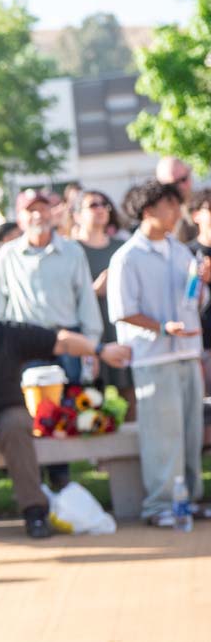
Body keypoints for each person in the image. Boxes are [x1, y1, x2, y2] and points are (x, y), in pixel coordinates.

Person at [0, 284, 131, 546]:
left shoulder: (4, 333)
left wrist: (99, 350)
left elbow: (59, 341)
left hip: (5, 414)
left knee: (18, 424)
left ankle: (35, 513)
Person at [108, 180, 211, 526]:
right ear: (148, 210)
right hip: (153, 357)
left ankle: (189, 500)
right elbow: (123, 310)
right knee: (162, 437)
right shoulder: (127, 256)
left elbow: (193, 300)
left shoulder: (181, 251)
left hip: (187, 352)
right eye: (169, 205)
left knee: (190, 432)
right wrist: (162, 327)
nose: (176, 212)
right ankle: (159, 506)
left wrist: (203, 284)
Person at [0, 188, 104, 490]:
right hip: (25, 344)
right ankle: (33, 481)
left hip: (67, 340)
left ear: (53, 213)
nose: (37, 215)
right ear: (20, 216)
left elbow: (86, 300)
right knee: (33, 413)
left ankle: (61, 479)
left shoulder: (72, 251)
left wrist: (91, 344)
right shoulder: (8, 254)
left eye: (42, 208)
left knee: (65, 411)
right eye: (30, 210)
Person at [74, 189, 132, 404]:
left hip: (121, 331)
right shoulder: (70, 250)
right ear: (77, 215)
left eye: (103, 204)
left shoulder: (122, 248)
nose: (100, 209)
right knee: (92, 402)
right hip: (87, 336)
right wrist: (94, 290)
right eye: (93, 205)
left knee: (129, 399)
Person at [186, 189, 211, 387]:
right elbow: (186, 300)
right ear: (196, 215)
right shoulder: (185, 253)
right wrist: (201, 281)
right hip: (203, 343)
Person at [156, 156, 197, 243]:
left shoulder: (204, 205)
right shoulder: (156, 216)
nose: (181, 187)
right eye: (173, 184)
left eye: (183, 179)